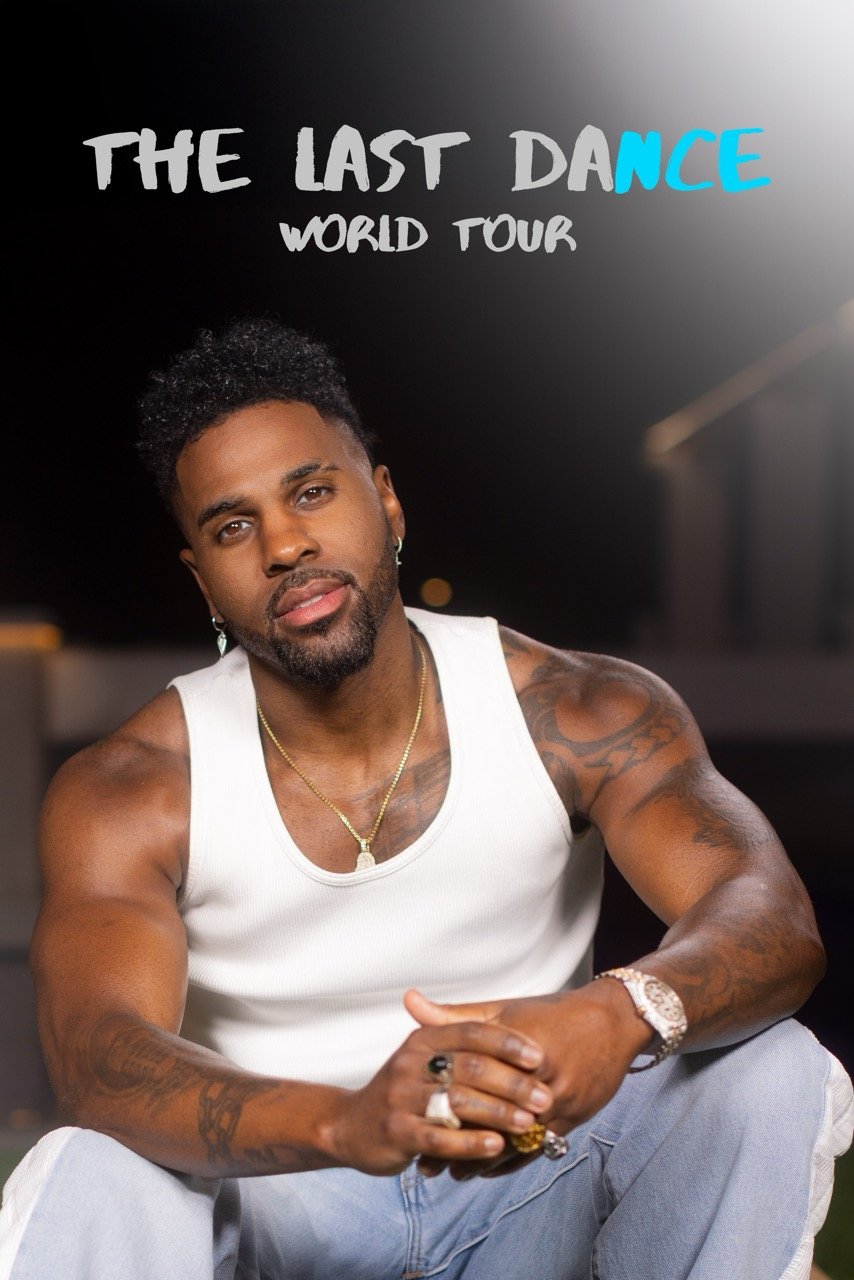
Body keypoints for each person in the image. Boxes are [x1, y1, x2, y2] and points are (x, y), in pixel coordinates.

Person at [1, 318, 851, 1280]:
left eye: (312, 492)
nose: (285, 544)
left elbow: (771, 916)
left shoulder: (574, 710)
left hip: (531, 1173)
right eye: (233, 526)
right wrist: (350, 1119)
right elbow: (99, 1054)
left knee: (764, 1068)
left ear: (388, 501)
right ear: (203, 578)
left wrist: (620, 1011)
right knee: (92, 1167)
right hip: (283, 1203)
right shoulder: (134, 786)